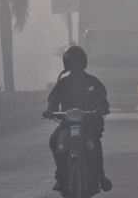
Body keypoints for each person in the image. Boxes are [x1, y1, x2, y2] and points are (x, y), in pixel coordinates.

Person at [42, 45, 112, 193]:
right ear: (66, 65)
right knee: (55, 141)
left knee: (94, 145)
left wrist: (102, 106)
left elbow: (101, 97)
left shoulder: (93, 81)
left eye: (77, 62)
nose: (74, 65)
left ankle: (100, 176)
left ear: (83, 63)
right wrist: (50, 110)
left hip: (90, 123)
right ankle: (60, 177)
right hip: (67, 123)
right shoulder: (63, 83)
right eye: (71, 62)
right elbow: (53, 99)